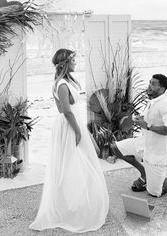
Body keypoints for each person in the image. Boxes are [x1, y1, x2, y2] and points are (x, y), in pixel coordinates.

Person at [29, 49, 109, 233]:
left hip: (74, 123)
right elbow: (66, 110)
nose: (76, 62)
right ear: (64, 63)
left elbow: (73, 109)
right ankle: (69, 206)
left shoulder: (70, 81)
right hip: (68, 126)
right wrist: (78, 132)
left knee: (82, 162)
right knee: (72, 164)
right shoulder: (62, 84)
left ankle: (79, 203)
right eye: (73, 60)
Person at [111, 74, 167, 197]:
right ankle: (144, 173)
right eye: (150, 82)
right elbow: (152, 121)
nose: (149, 86)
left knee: (155, 192)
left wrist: (147, 125)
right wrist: (143, 121)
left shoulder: (166, 105)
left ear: (162, 89)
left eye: (153, 84)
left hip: (158, 152)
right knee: (116, 148)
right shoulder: (153, 102)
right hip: (144, 143)